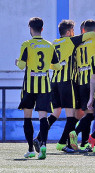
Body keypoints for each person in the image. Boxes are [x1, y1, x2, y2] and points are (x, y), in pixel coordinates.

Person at [33, 19, 95, 153]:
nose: (74, 33)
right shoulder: (71, 41)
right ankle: (65, 144)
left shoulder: (54, 43)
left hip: (54, 81)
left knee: (55, 113)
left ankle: (39, 138)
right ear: (68, 32)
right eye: (72, 31)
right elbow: (90, 34)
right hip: (67, 82)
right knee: (71, 117)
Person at [15, 17, 61, 159]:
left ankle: (30, 149)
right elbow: (57, 67)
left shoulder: (26, 44)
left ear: (30, 29)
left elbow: (22, 65)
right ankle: (43, 146)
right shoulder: (49, 45)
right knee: (43, 117)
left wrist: (17, 62)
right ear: (42, 29)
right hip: (44, 86)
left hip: (29, 86)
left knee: (27, 118)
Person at [68, 20, 95, 152]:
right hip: (93, 80)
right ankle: (75, 132)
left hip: (81, 81)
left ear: (84, 30)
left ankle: (84, 143)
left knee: (87, 112)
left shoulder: (78, 45)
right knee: (93, 114)